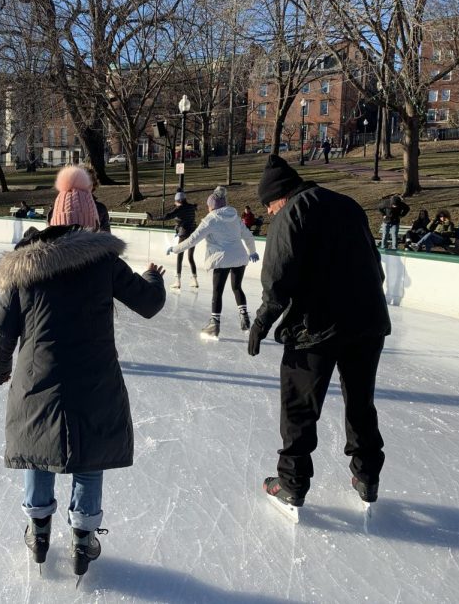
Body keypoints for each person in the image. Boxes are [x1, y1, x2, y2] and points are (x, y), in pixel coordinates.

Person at [0, 165, 166, 578]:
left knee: (38, 449)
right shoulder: (105, 262)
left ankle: (38, 529)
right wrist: (153, 278)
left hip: (37, 379)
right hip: (95, 379)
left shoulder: (24, 266)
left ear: (53, 219)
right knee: (90, 456)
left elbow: (2, 328)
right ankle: (84, 538)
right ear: (91, 219)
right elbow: (149, 303)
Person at [248, 155, 390, 510]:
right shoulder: (349, 205)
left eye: (268, 205)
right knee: (360, 402)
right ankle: (367, 476)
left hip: (316, 328)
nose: (268, 213)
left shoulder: (291, 212)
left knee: (298, 407)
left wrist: (263, 319)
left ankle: (292, 482)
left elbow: (278, 274)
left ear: (279, 195)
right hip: (367, 322)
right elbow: (376, 266)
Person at [167, 186, 258, 338]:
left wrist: (175, 249)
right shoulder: (234, 216)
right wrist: (252, 251)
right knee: (237, 287)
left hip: (221, 258)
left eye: (209, 206)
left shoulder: (211, 219)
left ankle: (214, 324)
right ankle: (244, 318)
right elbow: (248, 235)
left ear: (213, 206)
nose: (208, 208)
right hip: (239, 257)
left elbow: (192, 239)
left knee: (218, 291)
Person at [150, 191, 199, 290]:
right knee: (190, 257)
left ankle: (178, 282)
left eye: (176, 201)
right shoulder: (191, 207)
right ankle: (195, 280)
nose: (175, 203)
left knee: (179, 257)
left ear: (179, 201)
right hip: (193, 235)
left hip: (184, 235)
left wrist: (153, 218)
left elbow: (167, 216)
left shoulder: (180, 209)